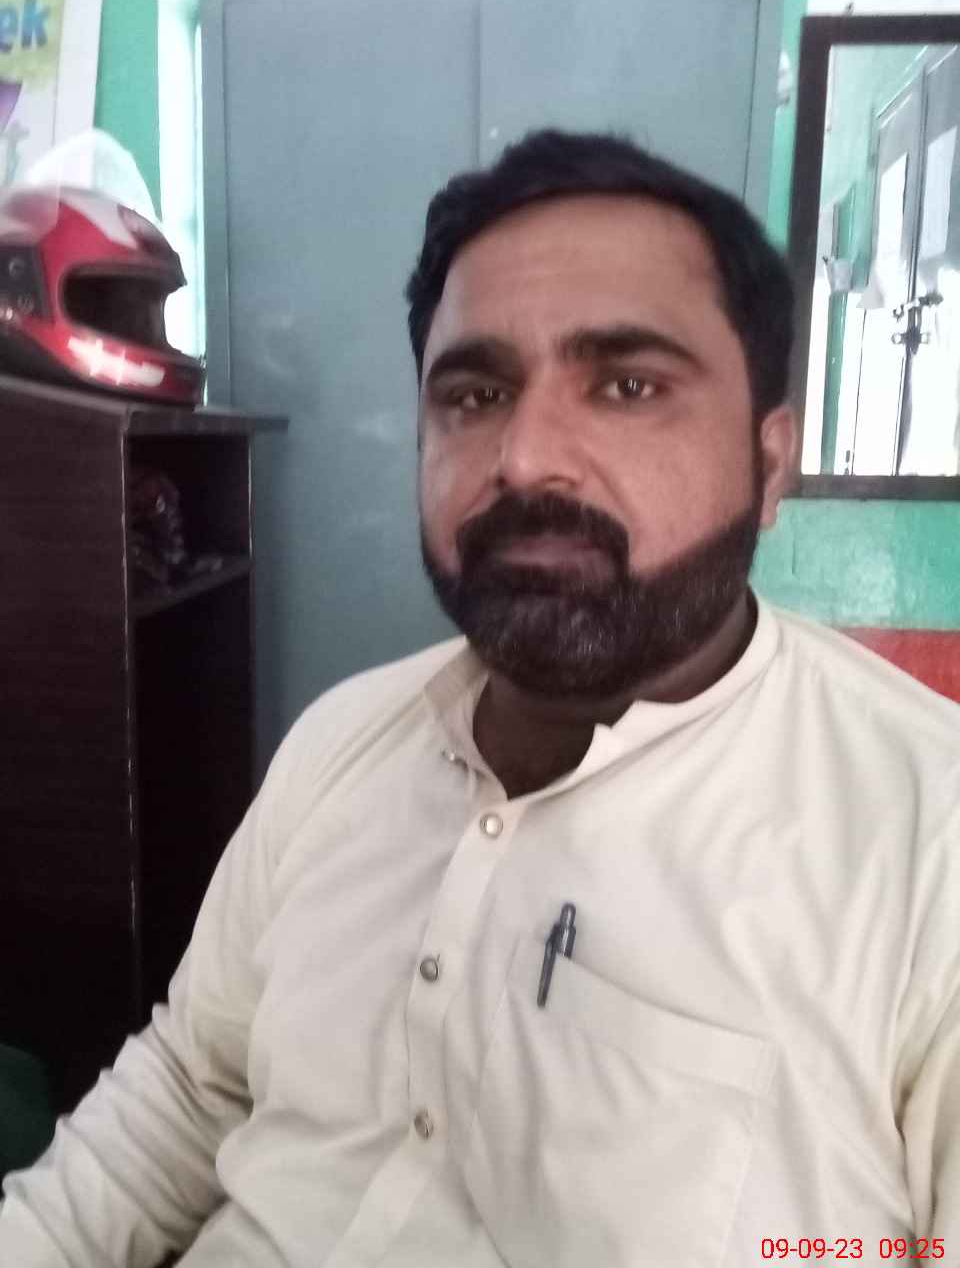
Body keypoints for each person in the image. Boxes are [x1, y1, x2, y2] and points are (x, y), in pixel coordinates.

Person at [1, 127, 958, 1266]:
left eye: (628, 384)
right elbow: (190, 1085)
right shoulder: (341, 740)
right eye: (477, 392)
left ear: (772, 457)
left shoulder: (926, 843)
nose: (526, 456)